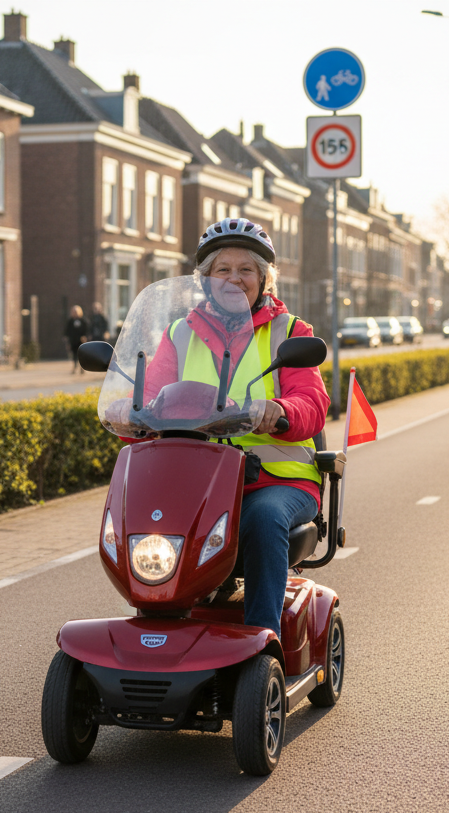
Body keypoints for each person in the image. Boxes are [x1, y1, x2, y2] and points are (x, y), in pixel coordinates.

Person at [142, 218, 330, 636]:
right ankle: (156, 626)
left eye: (246, 269)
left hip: (276, 479)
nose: (234, 278)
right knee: (148, 518)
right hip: (197, 479)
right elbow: (151, 398)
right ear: (205, 280)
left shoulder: (290, 332)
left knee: (263, 518)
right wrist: (129, 412)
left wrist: (278, 409)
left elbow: (312, 404)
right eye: (222, 269)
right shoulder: (179, 334)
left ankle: (263, 638)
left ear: (263, 279)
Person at [64, 305, 90, 374]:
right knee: (74, 354)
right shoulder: (70, 321)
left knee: (81, 355)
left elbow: (87, 330)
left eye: (76, 311)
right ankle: (75, 367)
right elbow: (67, 331)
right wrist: (66, 338)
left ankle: (82, 367)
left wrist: (85, 336)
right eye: (73, 312)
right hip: (73, 340)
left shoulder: (83, 321)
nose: (74, 313)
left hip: (81, 341)